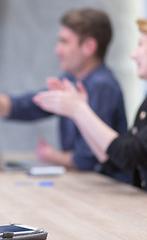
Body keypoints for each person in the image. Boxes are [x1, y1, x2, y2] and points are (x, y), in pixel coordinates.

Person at [0, 8, 131, 182]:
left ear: (89, 47)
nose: (58, 50)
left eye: (64, 42)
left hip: (109, 189)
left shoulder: (102, 86)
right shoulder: (70, 80)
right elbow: (29, 106)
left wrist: (51, 156)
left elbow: (87, 160)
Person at [33, 18, 147, 190]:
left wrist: (80, 110)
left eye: (141, 45)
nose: (134, 54)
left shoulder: (102, 84)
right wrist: (78, 113)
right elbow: (113, 159)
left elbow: (128, 155)